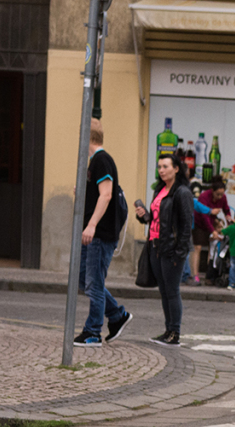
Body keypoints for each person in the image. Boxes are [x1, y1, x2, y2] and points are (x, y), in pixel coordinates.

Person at [73, 118, 132, 348]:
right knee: (84, 279)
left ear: (86, 137)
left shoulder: (101, 160)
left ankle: (93, 331)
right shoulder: (95, 162)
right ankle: (117, 316)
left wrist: (91, 225)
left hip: (100, 234)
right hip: (95, 233)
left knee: (94, 283)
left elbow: (106, 194)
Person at [134, 153, 194, 346]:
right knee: (164, 291)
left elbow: (186, 226)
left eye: (166, 166)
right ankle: (168, 330)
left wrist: (179, 252)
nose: (161, 170)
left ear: (176, 168)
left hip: (171, 249)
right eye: (159, 167)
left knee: (172, 291)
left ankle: (174, 333)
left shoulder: (182, 192)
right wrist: (144, 216)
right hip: (155, 246)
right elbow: (157, 219)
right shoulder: (159, 190)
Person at [191, 177, 230, 283]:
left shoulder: (223, 198)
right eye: (218, 194)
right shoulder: (204, 197)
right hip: (200, 224)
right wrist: (212, 231)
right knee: (197, 247)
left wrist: (229, 220)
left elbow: (226, 209)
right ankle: (195, 275)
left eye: (222, 194)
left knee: (212, 248)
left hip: (211, 223)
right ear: (212, 191)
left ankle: (210, 275)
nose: (220, 197)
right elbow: (204, 216)